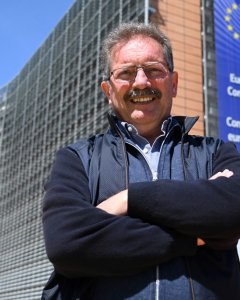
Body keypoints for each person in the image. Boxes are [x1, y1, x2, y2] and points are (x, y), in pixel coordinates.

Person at [41, 23, 240, 300]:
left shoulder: (217, 152)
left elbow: (232, 212)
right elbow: (67, 243)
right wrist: (192, 236)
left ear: (174, 83)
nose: (141, 82)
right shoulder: (77, 159)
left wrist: (127, 200)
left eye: (154, 70)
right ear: (108, 90)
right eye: (126, 73)